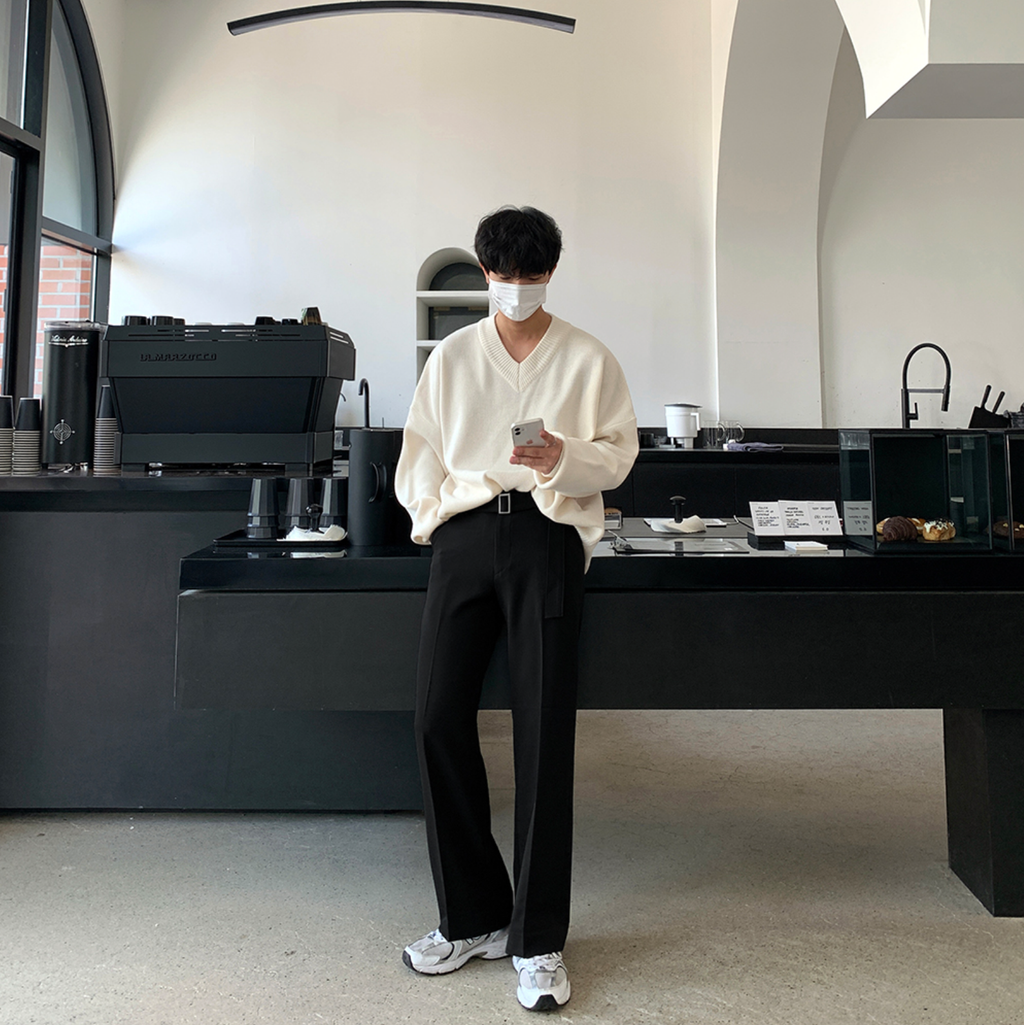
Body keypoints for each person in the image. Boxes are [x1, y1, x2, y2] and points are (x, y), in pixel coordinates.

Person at [395, 206, 638, 1012]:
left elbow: (619, 453)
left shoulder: (588, 357)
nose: (517, 289)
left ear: (549, 275)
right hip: (465, 533)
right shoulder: (454, 356)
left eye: (531, 277)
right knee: (435, 716)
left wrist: (563, 456)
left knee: (544, 730)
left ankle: (537, 940)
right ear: (485, 273)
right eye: (504, 276)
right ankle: (472, 916)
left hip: (547, 533)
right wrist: (433, 514)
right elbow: (420, 450)